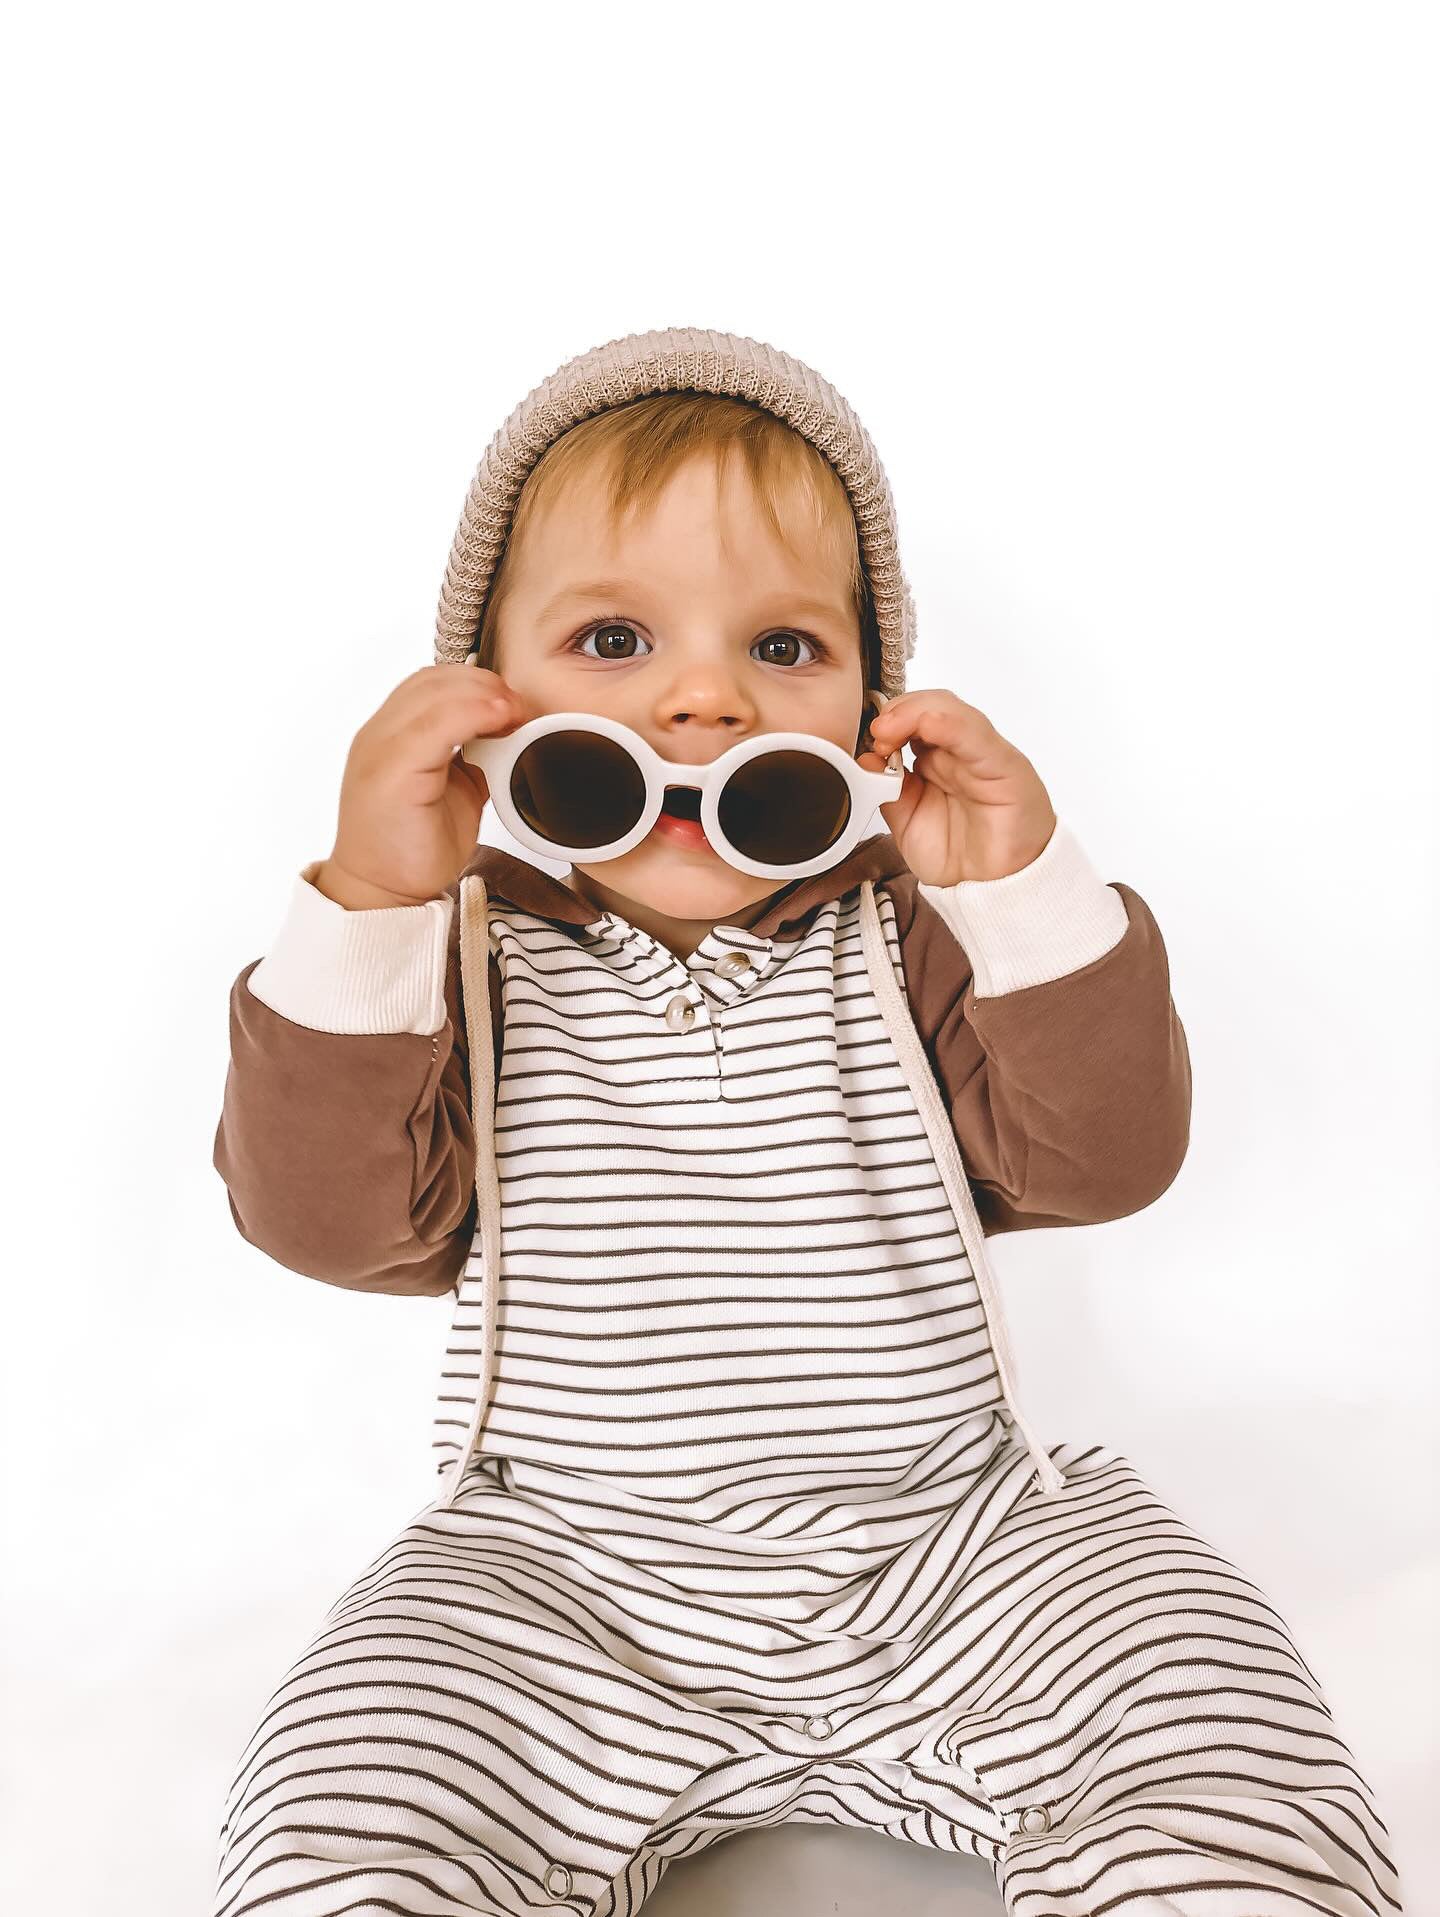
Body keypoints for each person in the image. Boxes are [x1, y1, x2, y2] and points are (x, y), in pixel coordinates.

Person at [209, 328, 1403, 1916]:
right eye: (616, 637)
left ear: (863, 710)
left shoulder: (903, 936)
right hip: (566, 1577)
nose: (704, 697)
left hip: (958, 1547)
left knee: (1212, 1726)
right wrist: (372, 901)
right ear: (479, 704)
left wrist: (1018, 892)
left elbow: (1104, 1156)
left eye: (783, 648)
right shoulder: (455, 959)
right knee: (348, 1799)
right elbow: (331, 1221)